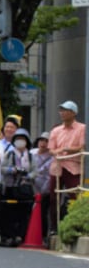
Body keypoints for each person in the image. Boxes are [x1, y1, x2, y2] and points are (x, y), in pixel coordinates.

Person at [47, 100, 85, 234]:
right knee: (53, 197)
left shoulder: (82, 128)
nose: (62, 113)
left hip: (73, 166)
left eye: (65, 110)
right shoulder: (56, 130)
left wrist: (68, 149)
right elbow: (51, 149)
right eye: (61, 110)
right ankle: (53, 228)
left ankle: (77, 225)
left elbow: (81, 146)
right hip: (57, 166)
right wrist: (57, 151)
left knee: (75, 195)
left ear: (73, 113)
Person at [0, 127, 35, 247]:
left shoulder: (30, 156)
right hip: (11, 187)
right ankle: (9, 236)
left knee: (24, 213)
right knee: (9, 213)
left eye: (22, 139)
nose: (20, 141)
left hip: (25, 188)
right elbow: (2, 168)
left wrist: (28, 176)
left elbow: (36, 171)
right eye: (18, 139)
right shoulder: (9, 154)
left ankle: (21, 235)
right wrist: (12, 170)